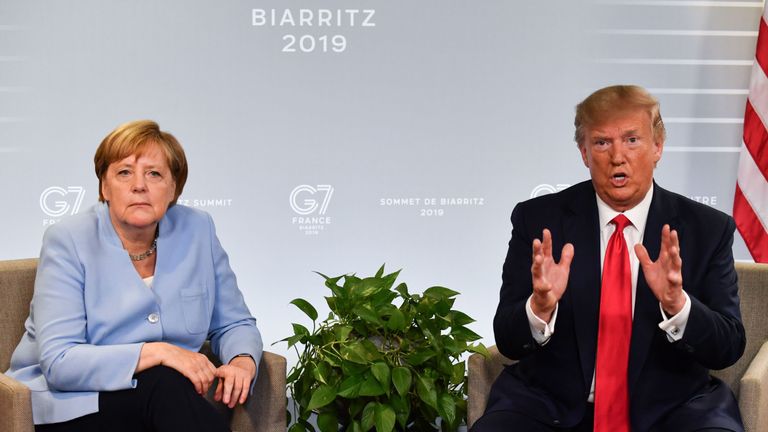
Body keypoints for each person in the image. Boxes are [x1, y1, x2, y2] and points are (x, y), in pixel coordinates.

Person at [473, 85, 745, 431]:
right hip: (550, 406)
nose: (618, 156)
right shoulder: (539, 221)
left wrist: (679, 305)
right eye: (602, 142)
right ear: (584, 152)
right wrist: (539, 308)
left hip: (673, 409)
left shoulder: (707, 229)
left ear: (658, 146)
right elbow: (509, 340)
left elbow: (729, 345)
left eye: (632, 140)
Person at [5, 120, 263, 431]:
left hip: (169, 400)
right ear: (105, 187)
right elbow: (60, 362)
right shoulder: (68, 240)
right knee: (165, 383)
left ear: (173, 188)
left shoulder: (198, 230)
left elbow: (235, 322)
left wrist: (242, 360)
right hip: (74, 403)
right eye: (124, 172)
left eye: (154, 173)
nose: (139, 185)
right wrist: (161, 352)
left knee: (168, 389)